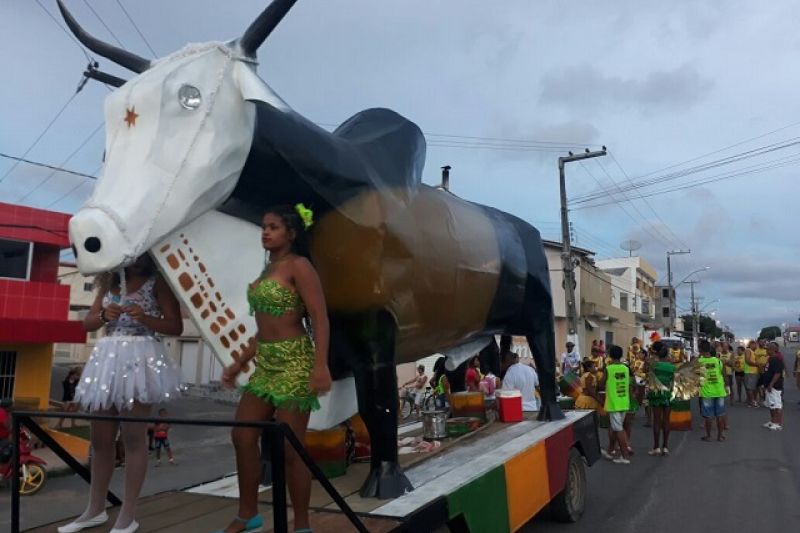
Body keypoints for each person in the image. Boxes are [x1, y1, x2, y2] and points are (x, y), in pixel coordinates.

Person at [218, 204, 331, 533]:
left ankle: (302, 525)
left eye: (273, 227)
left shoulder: (299, 266)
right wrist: (240, 362)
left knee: (290, 447)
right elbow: (265, 329)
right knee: (242, 435)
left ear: (291, 233)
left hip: (295, 362)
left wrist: (320, 365)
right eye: (264, 226)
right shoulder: (268, 270)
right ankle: (248, 514)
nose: (265, 232)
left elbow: (319, 317)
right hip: (265, 363)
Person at [59, 254, 183, 533]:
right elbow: (88, 323)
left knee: (133, 439)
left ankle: (128, 514)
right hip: (107, 360)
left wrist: (145, 317)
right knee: (100, 440)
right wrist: (105, 315)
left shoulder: (157, 282)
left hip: (139, 359)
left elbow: (176, 326)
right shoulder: (109, 282)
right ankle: (95, 509)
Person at [601, 345, 631, 464]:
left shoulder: (608, 369)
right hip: (624, 401)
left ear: (610, 355)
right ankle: (610, 450)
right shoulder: (626, 368)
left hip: (614, 403)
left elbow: (601, 384)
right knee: (615, 428)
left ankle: (625, 456)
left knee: (618, 429)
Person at [646, 341, 675, 456]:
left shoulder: (654, 365)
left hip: (656, 395)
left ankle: (656, 447)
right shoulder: (672, 367)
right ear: (667, 355)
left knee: (657, 421)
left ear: (657, 354)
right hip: (667, 394)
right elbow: (673, 382)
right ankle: (666, 447)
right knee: (666, 421)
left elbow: (649, 376)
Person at [698, 340, 727, 442]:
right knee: (720, 415)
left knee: (708, 416)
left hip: (707, 393)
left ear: (700, 350)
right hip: (719, 391)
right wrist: (727, 386)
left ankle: (709, 436)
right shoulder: (718, 361)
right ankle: (720, 436)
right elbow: (724, 374)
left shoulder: (699, 362)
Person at [762, 342, 785, 431]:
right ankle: (772, 421)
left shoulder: (776, 360)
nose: (766, 350)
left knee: (776, 405)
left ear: (773, 349)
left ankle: (777, 423)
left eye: (767, 349)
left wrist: (771, 384)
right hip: (769, 386)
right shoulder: (770, 359)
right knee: (771, 405)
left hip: (775, 387)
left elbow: (777, 373)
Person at [743, 340, 759, 407]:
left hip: (754, 372)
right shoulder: (748, 350)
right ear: (751, 344)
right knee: (750, 388)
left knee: (752, 388)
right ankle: (752, 401)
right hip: (750, 372)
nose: (756, 346)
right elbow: (747, 361)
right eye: (755, 344)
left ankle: (750, 401)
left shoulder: (753, 351)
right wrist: (757, 364)